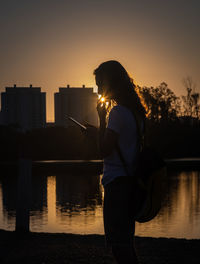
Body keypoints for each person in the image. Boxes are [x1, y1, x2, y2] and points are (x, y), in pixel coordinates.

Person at [94, 60, 147, 264]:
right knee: (126, 243)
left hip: (116, 186)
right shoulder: (136, 114)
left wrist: (100, 121)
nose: (99, 89)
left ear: (111, 82)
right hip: (131, 183)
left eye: (100, 84)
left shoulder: (116, 113)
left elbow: (104, 151)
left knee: (119, 246)